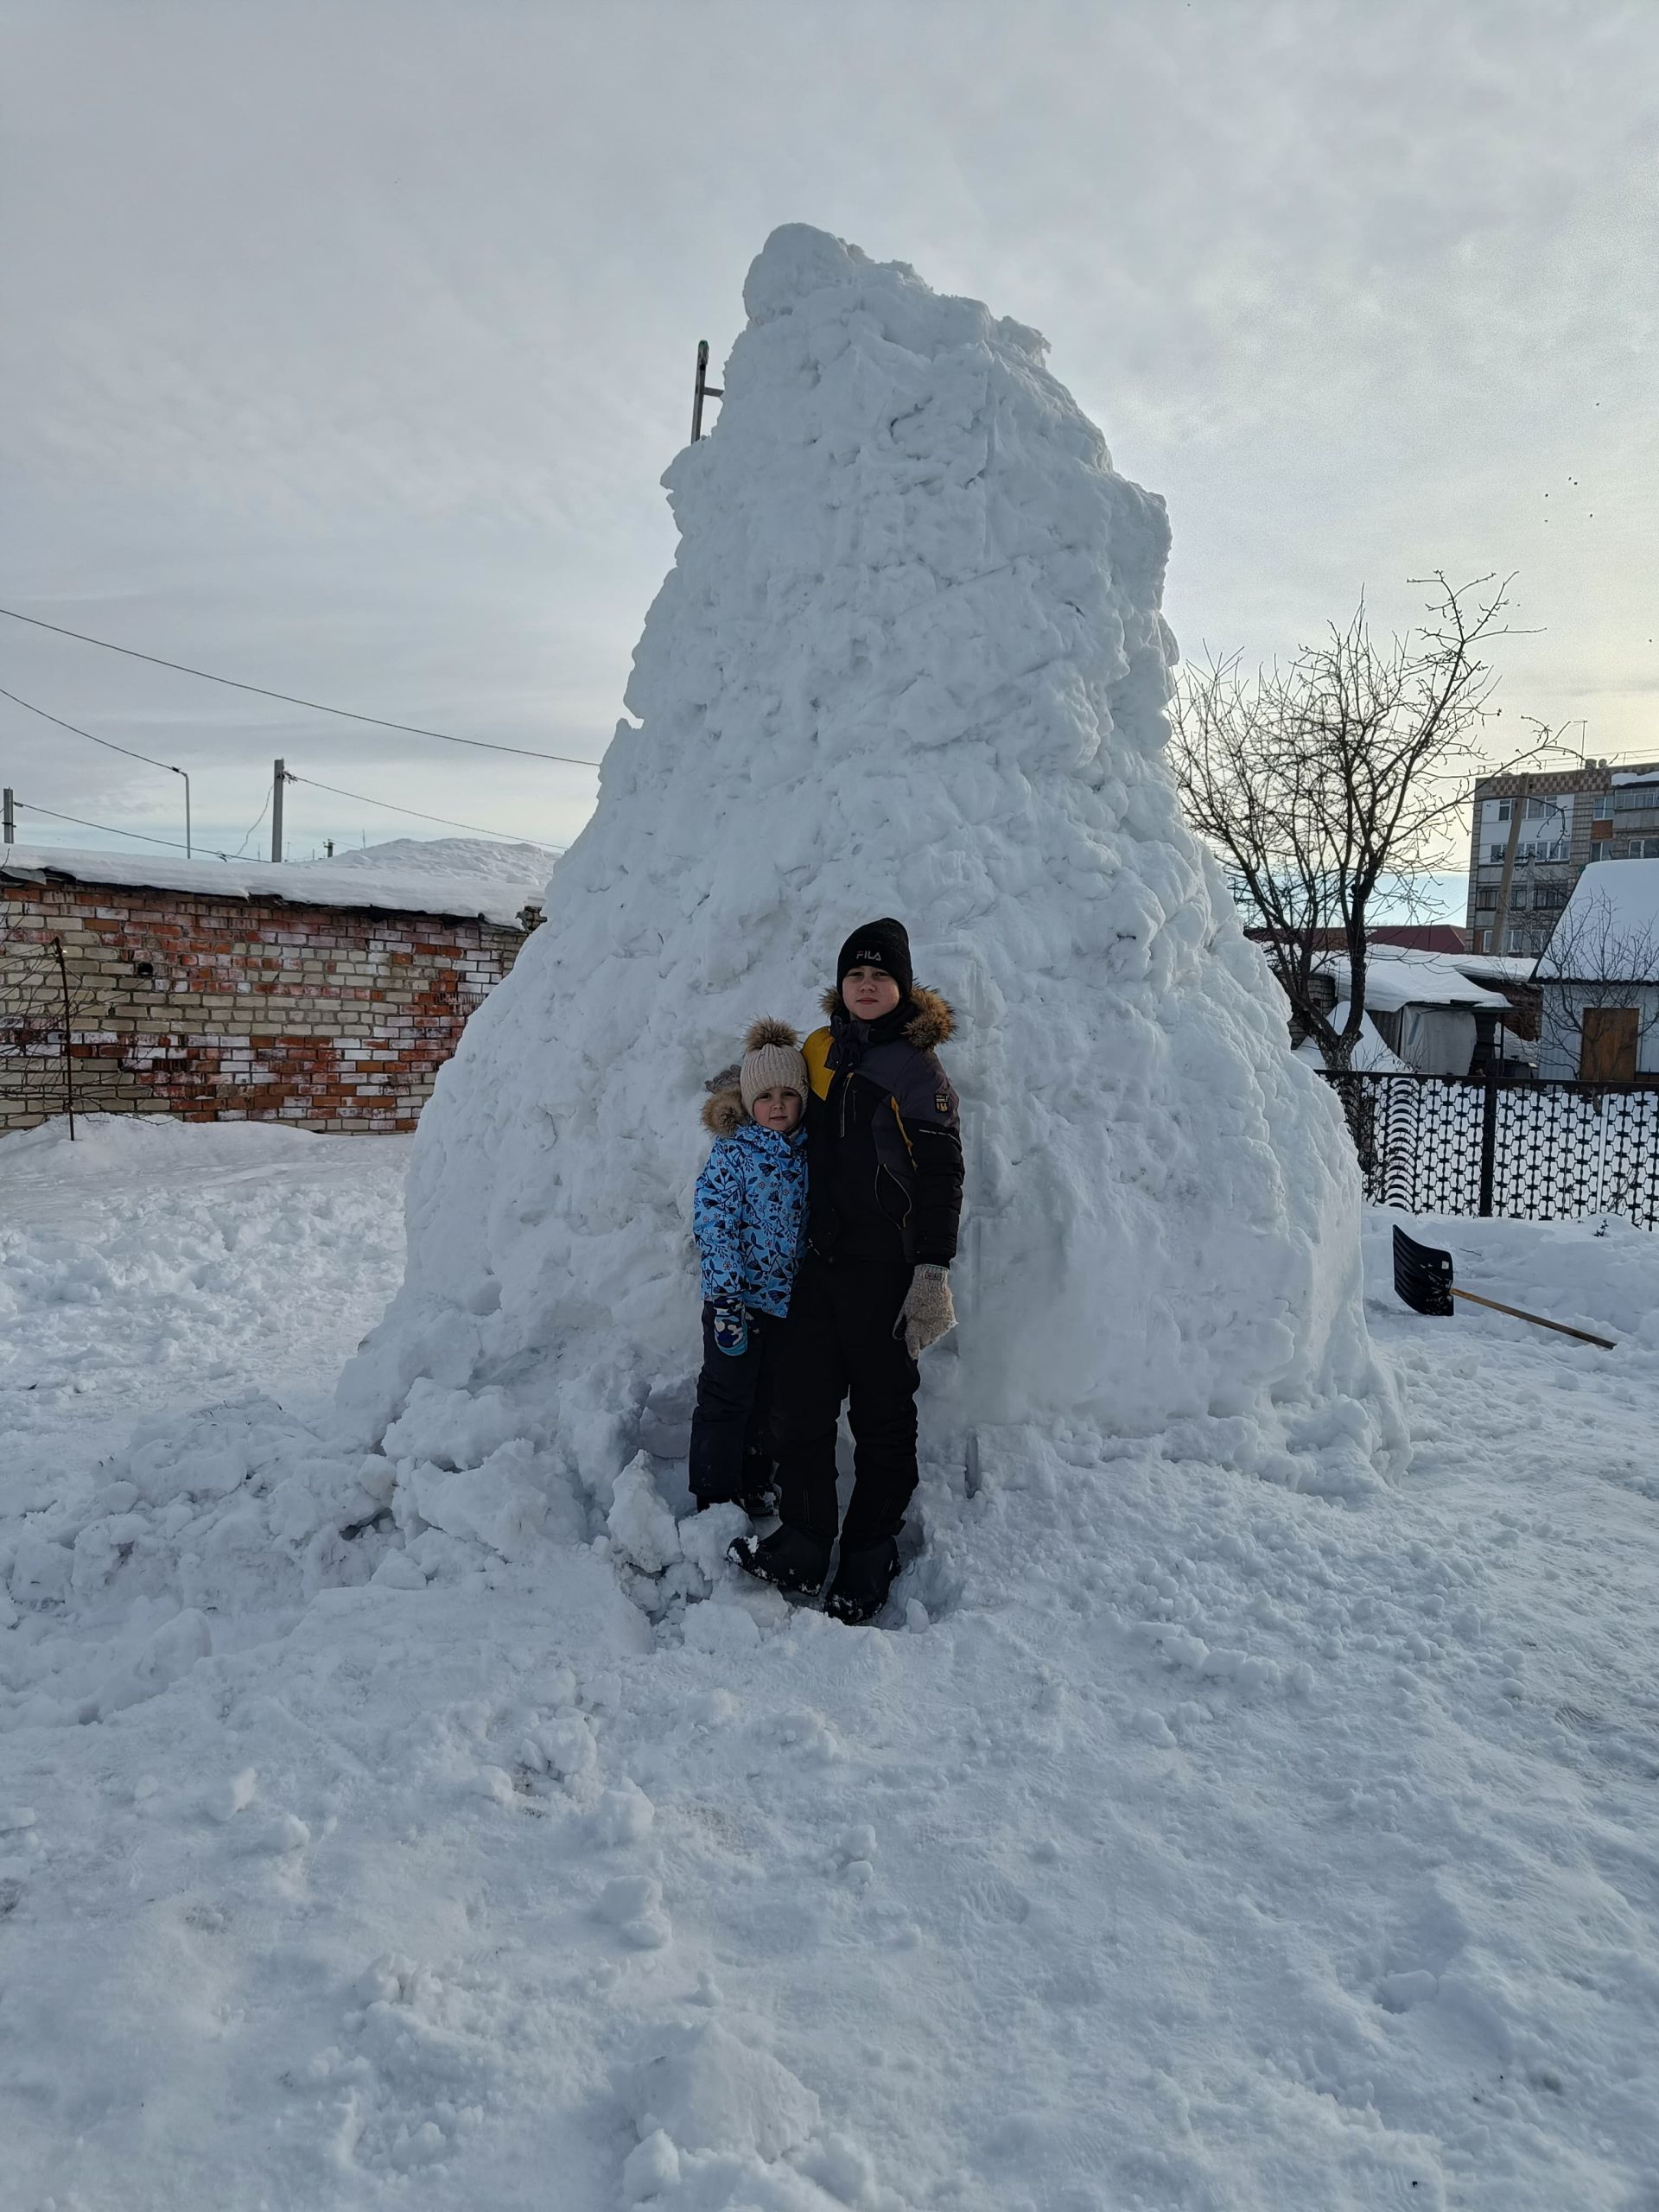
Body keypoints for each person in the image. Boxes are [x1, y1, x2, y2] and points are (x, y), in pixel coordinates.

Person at [730, 918, 963, 1624]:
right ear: (840, 985)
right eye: (855, 976)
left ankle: (870, 1550)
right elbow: (778, 1106)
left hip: (885, 1272)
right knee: (799, 1409)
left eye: (880, 977)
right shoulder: (820, 1048)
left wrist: (932, 1270)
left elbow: (943, 1174)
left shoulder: (916, 1069)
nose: (866, 987)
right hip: (818, 1263)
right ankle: (805, 1538)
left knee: (883, 1417)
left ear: (902, 987)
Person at [689, 1017, 810, 1516]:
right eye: (764, 1096)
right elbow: (715, 1226)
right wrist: (725, 1299)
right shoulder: (732, 1154)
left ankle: (755, 1481)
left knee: (771, 1401)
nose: (777, 1105)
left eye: (788, 1094)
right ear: (746, 1102)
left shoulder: (810, 1154)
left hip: (788, 1306)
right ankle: (715, 1495)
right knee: (726, 1398)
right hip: (735, 1304)